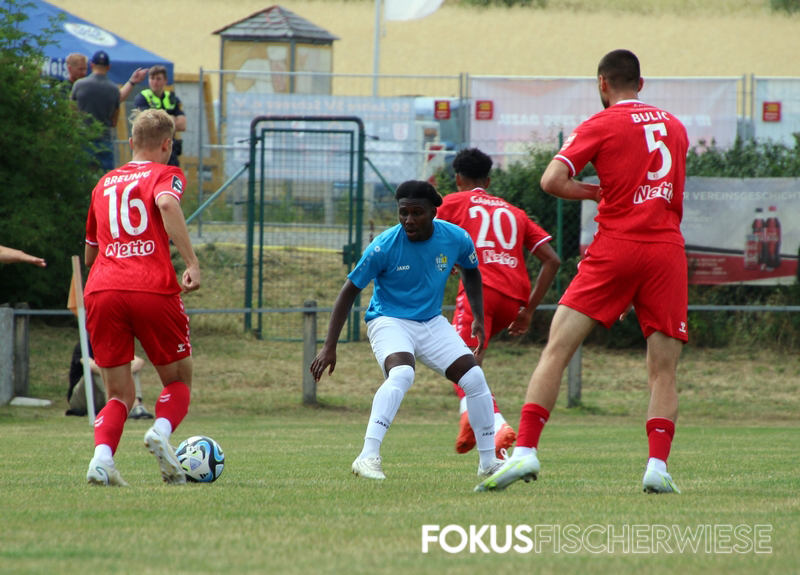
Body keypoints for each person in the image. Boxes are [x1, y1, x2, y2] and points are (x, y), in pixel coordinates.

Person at [476, 49, 689, 494]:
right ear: (641, 83)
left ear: (602, 84)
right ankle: (657, 466)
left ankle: (525, 451)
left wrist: (595, 192)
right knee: (663, 370)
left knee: (557, 349)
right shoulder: (675, 126)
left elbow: (551, 180)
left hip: (616, 246)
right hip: (666, 251)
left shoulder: (602, 123)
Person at [310, 180, 504, 484]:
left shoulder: (456, 238)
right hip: (389, 319)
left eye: (417, 213)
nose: (409, 220)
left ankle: (488, 462)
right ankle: (367, 456)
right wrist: (329, 345)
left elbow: (471, 272)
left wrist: (478, 317)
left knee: (475, 379)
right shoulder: (383, 246)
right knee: (402, 374)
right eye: (403, 213)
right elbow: (349, 291)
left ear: (433, 212)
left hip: (431, 322)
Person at [83, 108, 201, 487]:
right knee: (178, 380)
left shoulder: (103, 184)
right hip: (150, 286)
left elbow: (90, 253)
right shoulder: (166, 173)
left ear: (131, 142)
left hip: (102, 288)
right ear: (167, 145)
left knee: (118, 394)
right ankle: (160, 432)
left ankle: (102, 460)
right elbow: (166, 203)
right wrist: (191, 262)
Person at [436, 147, 561, 457]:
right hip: (513, 302)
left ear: (458, 179)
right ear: (488, 181)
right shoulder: (515, 212)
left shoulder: (454, 201)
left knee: (457, 363)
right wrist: (528, 311)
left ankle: (495, 423)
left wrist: (446, 260)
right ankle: (482, 435)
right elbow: (553, 260)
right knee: (467, 365)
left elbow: (426, 233)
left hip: (480, 293)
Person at [66, 341, 153, 419]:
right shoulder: (84, 344)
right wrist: (118, 372)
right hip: (81, 398)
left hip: (100, 398)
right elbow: (91, 366)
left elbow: (139, 362)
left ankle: (136, 406)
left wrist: (124, 372)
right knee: (100, 370)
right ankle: (114, 405)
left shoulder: (112, 343)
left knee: (129, 368)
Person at [71, 50, 121, 172]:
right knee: (105, 177)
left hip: (83, 139)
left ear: (91, 65)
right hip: (105, 140)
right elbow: (114, 120)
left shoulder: (79, 85)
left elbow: (71, 112)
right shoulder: (114, 89)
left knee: (82, 176)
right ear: (108, 67)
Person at [134, 65, 186, 167]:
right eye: (152, 78)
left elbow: (182, 125)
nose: (155, 82)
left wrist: (158, 119)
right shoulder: (142, 97)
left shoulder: (172, 98)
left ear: (165, 80)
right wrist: (171, 118)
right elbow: (147, 123)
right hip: (149, 147)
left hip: (169, 148)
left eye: (158, 79)